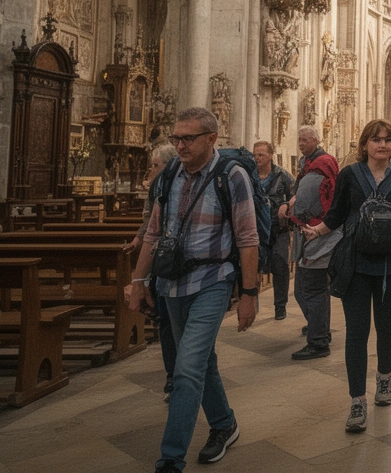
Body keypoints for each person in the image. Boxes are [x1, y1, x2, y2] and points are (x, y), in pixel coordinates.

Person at [126, 108, 259, 471]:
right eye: (176, 138)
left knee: (185, 369)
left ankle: (171, 458)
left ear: (211, 139)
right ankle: (224, 423)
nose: (180, 145)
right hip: (171, 283)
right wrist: (138, 282)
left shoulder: (232, 177)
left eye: (188, 138)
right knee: (201, 361)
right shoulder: (169, 175)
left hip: (212, 281)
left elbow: (248, 239)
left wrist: (249, 295)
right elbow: (153, 233)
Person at [301, 119, 391, 433]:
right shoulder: (350, 175)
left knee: (387, 326)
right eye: (375, 140)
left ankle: (384, 379)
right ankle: (357, 398)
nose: (382, 145)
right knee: (357, 332)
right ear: (365, 144)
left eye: (387, 140)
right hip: (356, 264)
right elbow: (337, 214)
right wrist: (318, 230)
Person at [126, 144, 179, 401]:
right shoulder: (156, 188)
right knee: (166, 322)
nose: (152, 170)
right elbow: (149, 221)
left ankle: (184, 375)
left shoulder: (179, 184)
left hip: (176, 261)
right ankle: (173, 378)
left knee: (178, 324)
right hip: (161, 263)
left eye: (156, 165)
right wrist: (139, 240)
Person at [286, 126, 338, 361]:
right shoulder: (309, 165)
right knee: (306, 289)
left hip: (317, 237)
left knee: (311, 290)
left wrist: (290, 208)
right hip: (312, 235)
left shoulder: (320, 166)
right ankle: (318, 327)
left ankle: (318, 341)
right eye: (299, 139)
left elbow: (306, 204)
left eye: (305, 139)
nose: (301, 143)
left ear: (317, 141)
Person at [252, 141, 294, 320]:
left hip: (278, 229)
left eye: (261, 155)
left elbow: (296, 194)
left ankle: (280, 306)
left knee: (280, 266)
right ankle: (252, 306)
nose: (257, 158)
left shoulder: (282, 175)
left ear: (270, 156)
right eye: (255, 155)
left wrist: (286, 205)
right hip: (255, 230)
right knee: (251, 267)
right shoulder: (250, 176)